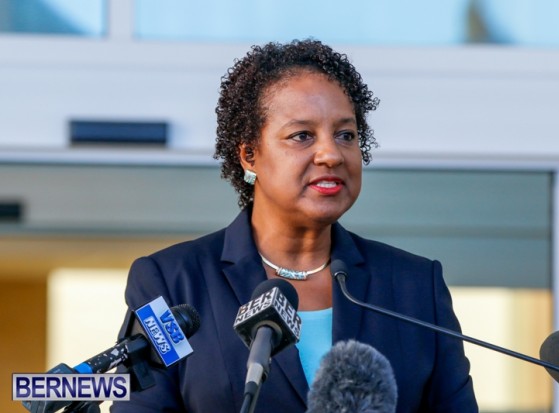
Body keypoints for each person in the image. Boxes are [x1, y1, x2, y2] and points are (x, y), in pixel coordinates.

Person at [111, 39, 477, 413]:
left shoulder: (416, 287)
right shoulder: (170, 284)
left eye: (346, 135)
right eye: (302, 135)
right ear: (249, 155)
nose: (331, 154)